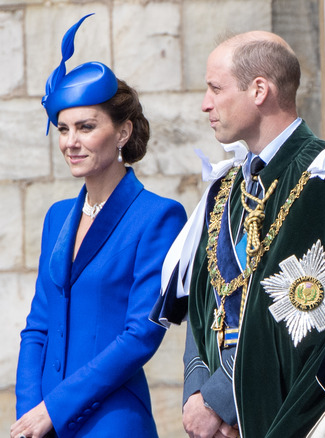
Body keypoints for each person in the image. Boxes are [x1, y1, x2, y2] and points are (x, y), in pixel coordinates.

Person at [150, 30, 325, 437]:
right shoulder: (229, 185)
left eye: (216, 89)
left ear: (259, 90)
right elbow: (205, 301)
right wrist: (196, 395)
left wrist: (221, 400)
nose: (205, 104)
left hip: (277, 418)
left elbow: (311, 326)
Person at [11, 14, 186, 438]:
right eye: (64, 129)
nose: (71, 141)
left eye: (86, 127)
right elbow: (38, 324)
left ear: (122, 131)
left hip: (112, 420)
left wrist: (54, 408)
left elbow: (141, 334)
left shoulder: (159, 216)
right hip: (42, 422)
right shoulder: (57, 217)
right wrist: (30, 409)